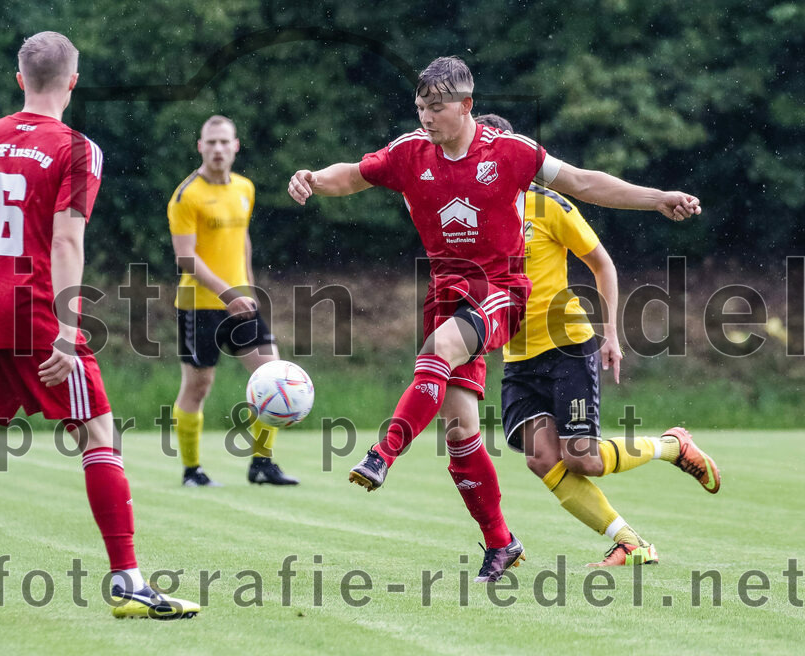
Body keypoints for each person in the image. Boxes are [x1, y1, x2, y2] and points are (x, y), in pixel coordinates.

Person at [288, 56, 701, 583]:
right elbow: (351, 175)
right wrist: (312, 180)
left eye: (436, 108)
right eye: (420, 107)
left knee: (439, 351)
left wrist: (657, 198)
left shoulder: (511, 152)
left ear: (466, 106)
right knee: (460, 430)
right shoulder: (409, 153)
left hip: (502, 291)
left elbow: (585, 182)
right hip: (447, 292)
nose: (426, 117)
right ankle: (501, 543)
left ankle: (382, 452)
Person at [0, 31, 198, 621]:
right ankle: (128, 582)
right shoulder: (77, 148)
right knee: (98, 435)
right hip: (38, 313)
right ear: (72, 80)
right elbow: (67, 239)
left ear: (20, 79)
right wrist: (68, 333)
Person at [474, 113, 720, 567]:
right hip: (518, 357)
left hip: (568, 344)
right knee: (542, 458)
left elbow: (602, 264)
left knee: (582, 458)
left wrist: (610, 333)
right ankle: (631, 543)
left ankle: (672, 445)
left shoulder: (549, 206)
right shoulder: (474, 215)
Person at [167, 115, 298, 487]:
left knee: (271, 377)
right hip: (199, 304)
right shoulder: (186, 195)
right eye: (211, 143)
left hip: (241, 301)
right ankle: (192, 471)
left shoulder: (244, 188)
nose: (218, 149)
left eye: (224, 142)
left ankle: (262, 464)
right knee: (199, 385)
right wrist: (228, 294)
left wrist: (249, 288)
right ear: (200, 147)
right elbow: (186, 258)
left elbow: (242, 241)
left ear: (236, 146)